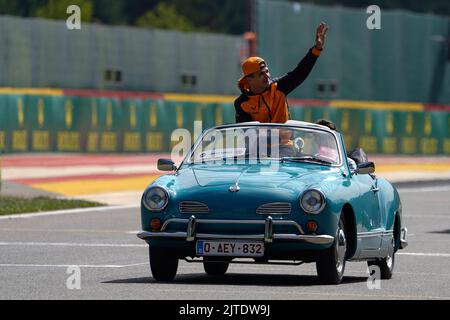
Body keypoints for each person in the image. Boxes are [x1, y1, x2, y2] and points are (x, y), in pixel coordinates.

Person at [235, 22, 329, 124]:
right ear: (250, 80)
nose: (267, 76)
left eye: (267, 71)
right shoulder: (241, 103)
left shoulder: (278, 87)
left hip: (285, 140)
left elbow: (300, 72)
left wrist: (317, 49)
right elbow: (248, 134)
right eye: (261, 74)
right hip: (260, 140)